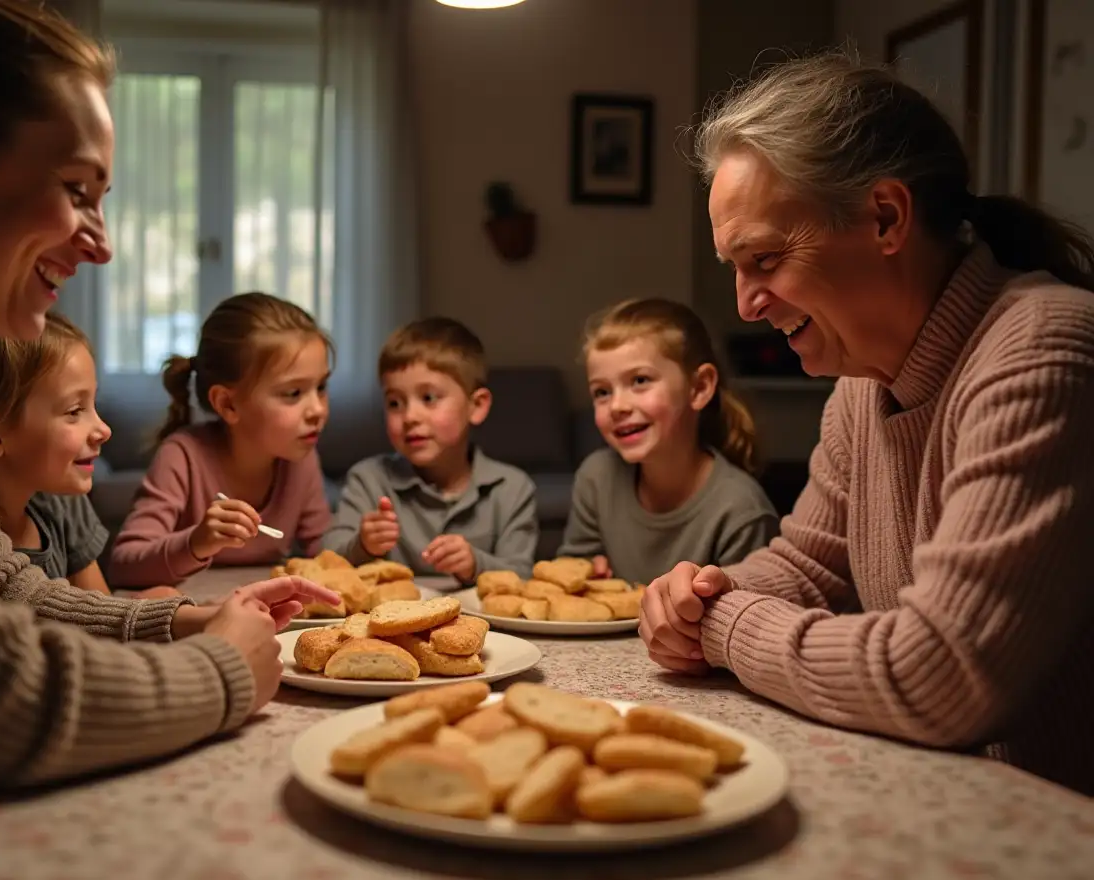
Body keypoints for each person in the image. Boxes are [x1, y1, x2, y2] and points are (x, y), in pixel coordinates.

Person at [0, 3, 337, 880]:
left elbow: (0, 583)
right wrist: (225, 673)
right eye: (78, 190)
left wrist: (180, 625)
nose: (101, 242)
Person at [640, 51, 1094, 795]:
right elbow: (808, 568)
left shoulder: (1044, 349)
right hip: (954, 805)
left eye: (764, 258)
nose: (746, 303)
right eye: (734, 265)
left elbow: (940, 676)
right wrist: (699, 594)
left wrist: (723, 628)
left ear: (885, 217)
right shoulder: (862, 383)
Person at [107, 293, 333, 589]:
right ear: (227, 404)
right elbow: (123, 566)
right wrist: (196, 542)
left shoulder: (300, 458)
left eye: (322, 386)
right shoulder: (183, 456)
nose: (317, 409)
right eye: (293, 393)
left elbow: (327, 554)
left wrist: (363, 545)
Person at [558, 298, 778, 586]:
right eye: (602, 392)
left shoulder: (740, 510)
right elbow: (570, 570)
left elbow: (751, 618)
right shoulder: (596, 478)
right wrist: (585, 572)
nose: (616, 406)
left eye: (639, 380)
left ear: (699, 387)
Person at [321, 317, 538, 582]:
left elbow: (523, 576)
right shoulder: (369, 480)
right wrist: (363, 545)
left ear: (477, 406)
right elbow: (327, 560)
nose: (410, 416)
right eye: (394, 403)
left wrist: (475, 564)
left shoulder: (512, 488)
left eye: (428, 398)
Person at [0, 313, 113, 591]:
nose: (104, 430)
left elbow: (105, 617)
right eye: (74, 411)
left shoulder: (62, 502)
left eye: (93, 404)